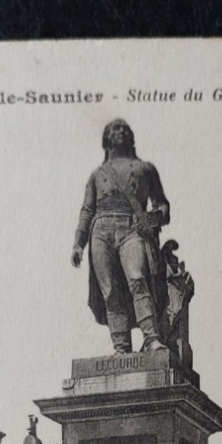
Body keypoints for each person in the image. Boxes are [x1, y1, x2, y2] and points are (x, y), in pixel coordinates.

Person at [71, 119, 170, 354]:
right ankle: (121, 348)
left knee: (137, 279)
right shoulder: (97, 175)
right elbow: (87, 209)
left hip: (132, 227)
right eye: (115, 129)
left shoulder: (145, 169)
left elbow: (163, 205)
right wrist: (78, 243)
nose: (121, 132)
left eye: (125, 128)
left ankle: (152, 338)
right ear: (106, 138)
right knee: (110, 291)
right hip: (101, 229)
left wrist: (155, 217)